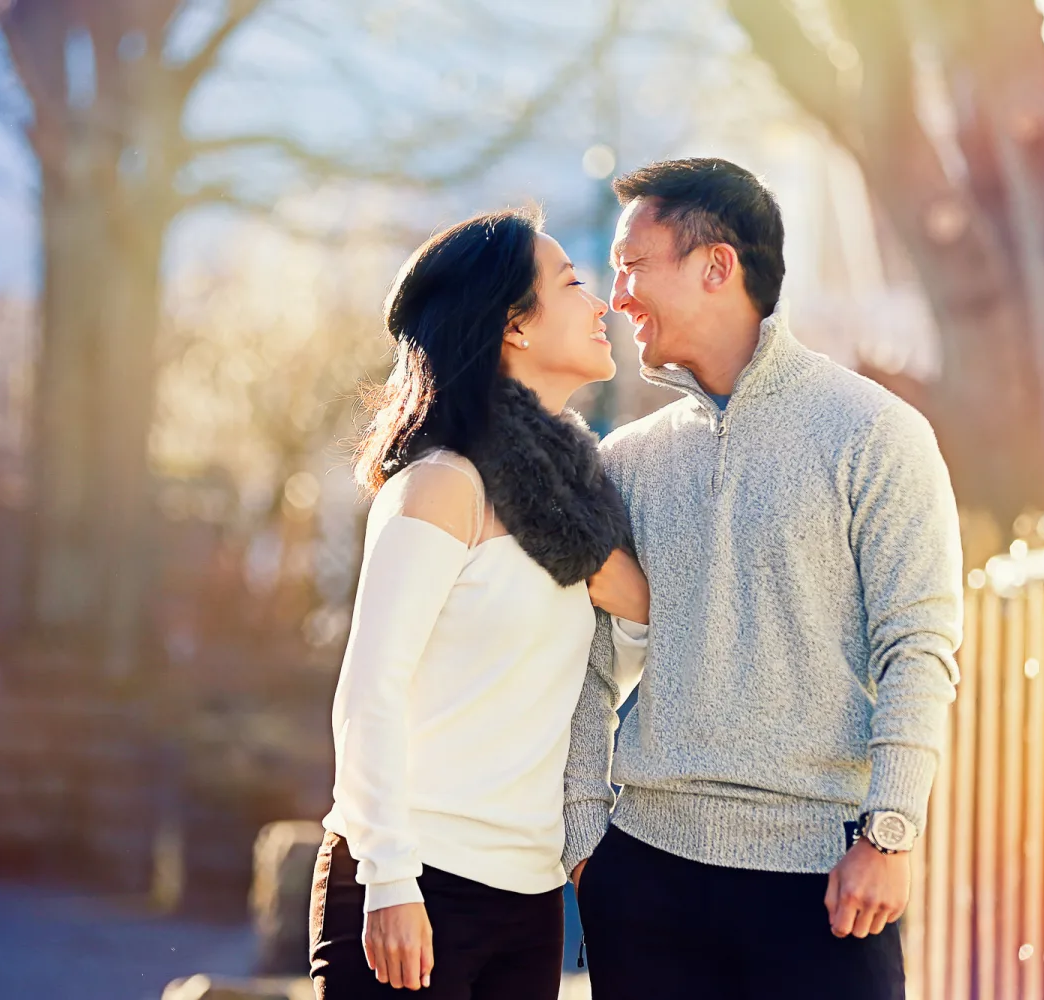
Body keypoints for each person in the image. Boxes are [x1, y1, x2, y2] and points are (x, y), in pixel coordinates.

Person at [563, 158, 964, 999]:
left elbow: (918, 645)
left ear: (717, 266)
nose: (617, 296)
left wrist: (889, 833)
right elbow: (588, 660)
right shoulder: (625, 460)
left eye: (633, 266)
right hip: (645, 878)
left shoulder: (876, 434)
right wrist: (582, 834)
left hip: (824, 881)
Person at [310, 209, 650, 999]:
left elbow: (606, 670)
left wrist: (619, 587)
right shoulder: (442, 486)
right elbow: (369, 693)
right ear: (513, 326)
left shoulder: (578, 506)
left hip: (528, 895)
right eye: (571, 283)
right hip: (415, 875)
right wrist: (390, 879)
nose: (599, 303)